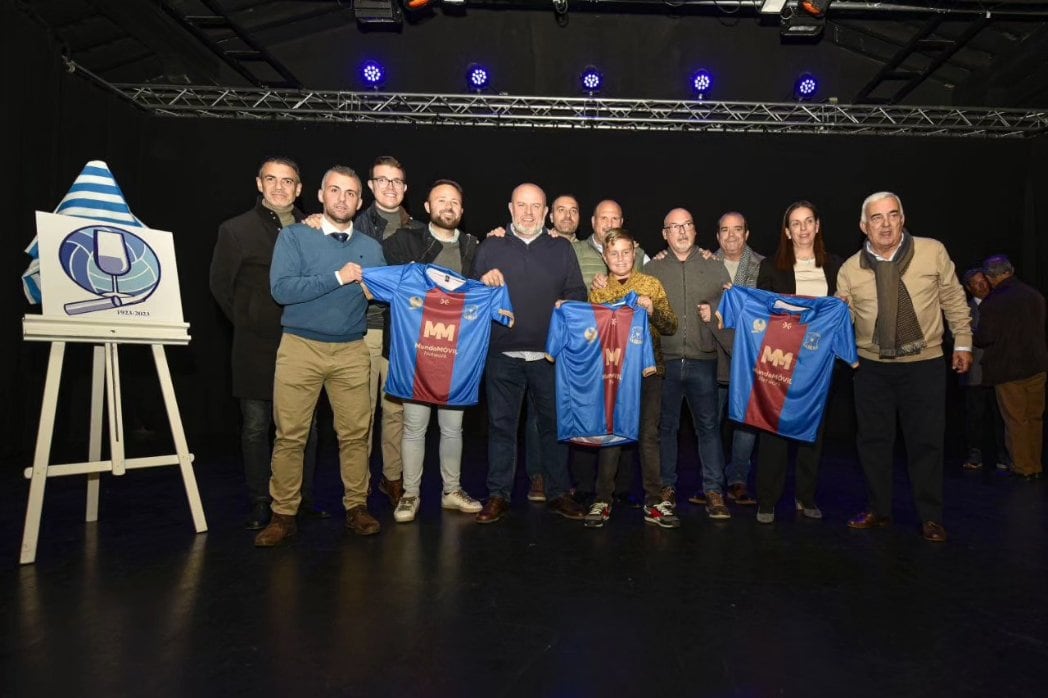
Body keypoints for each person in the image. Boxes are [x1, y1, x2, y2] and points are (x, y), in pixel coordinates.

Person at [254, 165, 386, 546]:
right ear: (320, 195)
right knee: (290, 435)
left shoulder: (371, 248)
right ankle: (283, 514)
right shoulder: (295, 237)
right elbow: (282, 290)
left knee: (356, 435)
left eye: (350, 193)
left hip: (350, 350)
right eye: (335, 190)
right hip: (299, 347)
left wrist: (377, 293)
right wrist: (338, 277)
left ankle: (357, 508)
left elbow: (380, 296)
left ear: (359, 202)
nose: (342, 199)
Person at [837, 191, 972, 543]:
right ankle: (879, 510)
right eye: (877, 218)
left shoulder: (932, 251)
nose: (885, 224)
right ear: (864, 226)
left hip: (924, 364)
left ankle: (930, 517)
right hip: (870, 368)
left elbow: (954, 298)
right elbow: (845, 320)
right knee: (873, 443)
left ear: (903, 218)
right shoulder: (850, 269)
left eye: (892, 215)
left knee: (926, 443)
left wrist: (962, 342)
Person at [209, 157, 325, 531]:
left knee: (305, 428)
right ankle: (262, 501)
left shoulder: (315, 229)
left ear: (299, 188)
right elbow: (220, 287)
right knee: (258, 427)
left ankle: (301, 498)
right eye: (272, 180)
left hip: (306, 343)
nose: (279, 187)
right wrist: (250, 320)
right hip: (255, 348)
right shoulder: (236, 230)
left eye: (288, 181)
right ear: (259, 184)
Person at [472, 183, 588, 524]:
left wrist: (570, 302)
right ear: (510, 209)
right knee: (501, 428)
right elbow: (471, 297)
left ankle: (557, 493)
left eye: (535, 206)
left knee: (554, 427)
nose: (528, 212)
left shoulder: (561, 249)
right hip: (502, 355)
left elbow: (577, 292)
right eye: (522, 205)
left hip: (549, 358)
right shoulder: (490, 246)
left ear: (545, 211)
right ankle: (498, 495)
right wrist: (482, 281)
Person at [380, 180, 484, 521]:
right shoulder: (405, 242)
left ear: (463, 210)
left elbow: (483, 292)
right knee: (414, 425)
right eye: (441, 200)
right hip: (417, 351)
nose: (448, 206)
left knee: (453, 428)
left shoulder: (474, 247)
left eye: (455, 202)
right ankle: (410, 494)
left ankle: (451, 491)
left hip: (456, 355)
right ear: (427, 207)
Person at [753, 201, 843, 524]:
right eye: (796, 223)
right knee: (773, 431)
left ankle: (805, 496)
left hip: (819, 363)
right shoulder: (770, 267)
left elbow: (843, 310)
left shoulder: (834, 265)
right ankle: (767, 499)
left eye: (808, 222)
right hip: (780, 359)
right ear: (787, 231)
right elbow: (762, 310)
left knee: (812, 433)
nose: (803, 228)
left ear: (817, 226)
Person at [583, 229, 678, 527]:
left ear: (635, 252)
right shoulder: (598, 289)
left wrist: (652, 310)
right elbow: (593, 333)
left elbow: (671, 325)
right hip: (614, 374)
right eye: (614, 253)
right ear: (604, 256)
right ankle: (602, 499)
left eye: (626, 252)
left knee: (649, 435)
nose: (621, 259)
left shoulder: (650, 284)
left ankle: (653, 500)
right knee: (611, 434)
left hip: (649, 372)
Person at [645, 208, 733, 519]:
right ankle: (666, 486)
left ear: (695, 231)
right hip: (665, 362)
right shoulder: (652, 269)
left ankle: (713, 489)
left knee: (708, 428)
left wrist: (715, 306)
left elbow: (731, 303)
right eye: (674, 227)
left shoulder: (715, 266)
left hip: (703, 360)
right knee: (665, 428)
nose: (681, 232)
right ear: (664, 234)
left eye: (687, 226)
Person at [356, 156, 425, 507]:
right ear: (370, 186)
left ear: (405, 187)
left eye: (397, 181)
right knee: (363, 411)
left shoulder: (418, 230)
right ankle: (360, 483)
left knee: (396, 411)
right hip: (366, 328)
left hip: (402, 333)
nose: (390, 187)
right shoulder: (354, 225)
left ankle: (392, 477)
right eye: (382, 180)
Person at [974, 254, 1047, 480]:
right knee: (1035, 417)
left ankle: (1023, 466)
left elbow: (985, 337)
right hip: (1037, 365)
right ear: (1012, 269)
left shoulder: (993, 302)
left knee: (1016, 420)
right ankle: (1035, 464)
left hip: (1007, 369)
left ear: (989, 278)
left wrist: (969, 333)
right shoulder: (1035, 295)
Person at [710, 211, 764, 506]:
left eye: (737, 230)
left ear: (747, 234)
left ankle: (738, 479)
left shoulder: (763, 266)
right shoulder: (705, 263)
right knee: (711, 421)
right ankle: (714, 480)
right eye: (725, 230)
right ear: (717, 236)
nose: (731, 236)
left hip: (749, 355)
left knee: (745, 421)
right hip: (714, 353)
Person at [959, 269, 1010, 472]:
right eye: (976, 283)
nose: (983, 286)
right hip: (975, 374)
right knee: (975, 417)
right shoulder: (964, 311)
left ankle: (1003, 456)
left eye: (984, 281)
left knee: (1002, 417)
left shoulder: (1002, 305)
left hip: (999, 372)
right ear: (969, 288)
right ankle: (975, 454)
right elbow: (955, 338)